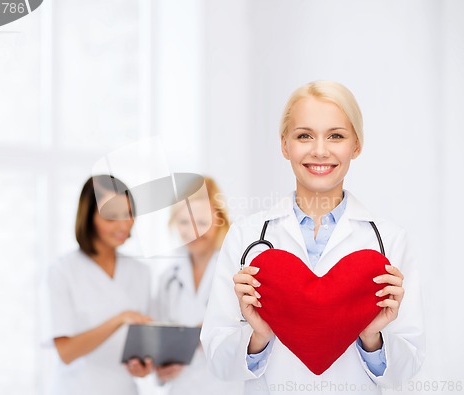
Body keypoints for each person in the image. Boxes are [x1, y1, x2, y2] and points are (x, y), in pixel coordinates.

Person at [200, 81, 425, 395]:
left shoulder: (389, 240)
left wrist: (371, 336)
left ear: (356, 146)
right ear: (285, 145)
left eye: (336, 136)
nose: (320, 150)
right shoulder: (246, 237)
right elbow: (218, 360)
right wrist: (258, 335)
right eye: (304, 135)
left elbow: (406, 367)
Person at [41, 175, 153, 395]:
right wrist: (120, 319)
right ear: (89, 218)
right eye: (112, 217)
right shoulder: (63, 271)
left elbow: (141, 346)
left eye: (128, 213)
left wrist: (143, 366)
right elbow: (66, 353)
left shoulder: (141, 272)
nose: (124, 224)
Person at [152, 177, 244, 395]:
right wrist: (160, 368)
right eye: (184, 222)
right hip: (181, 388)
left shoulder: (238, 271)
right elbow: (158, 344)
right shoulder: (168, 279)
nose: (193, 231)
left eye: (202, 222)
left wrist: (213, 332)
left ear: (219, 220)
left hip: (225, 388)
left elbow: (255, 342)